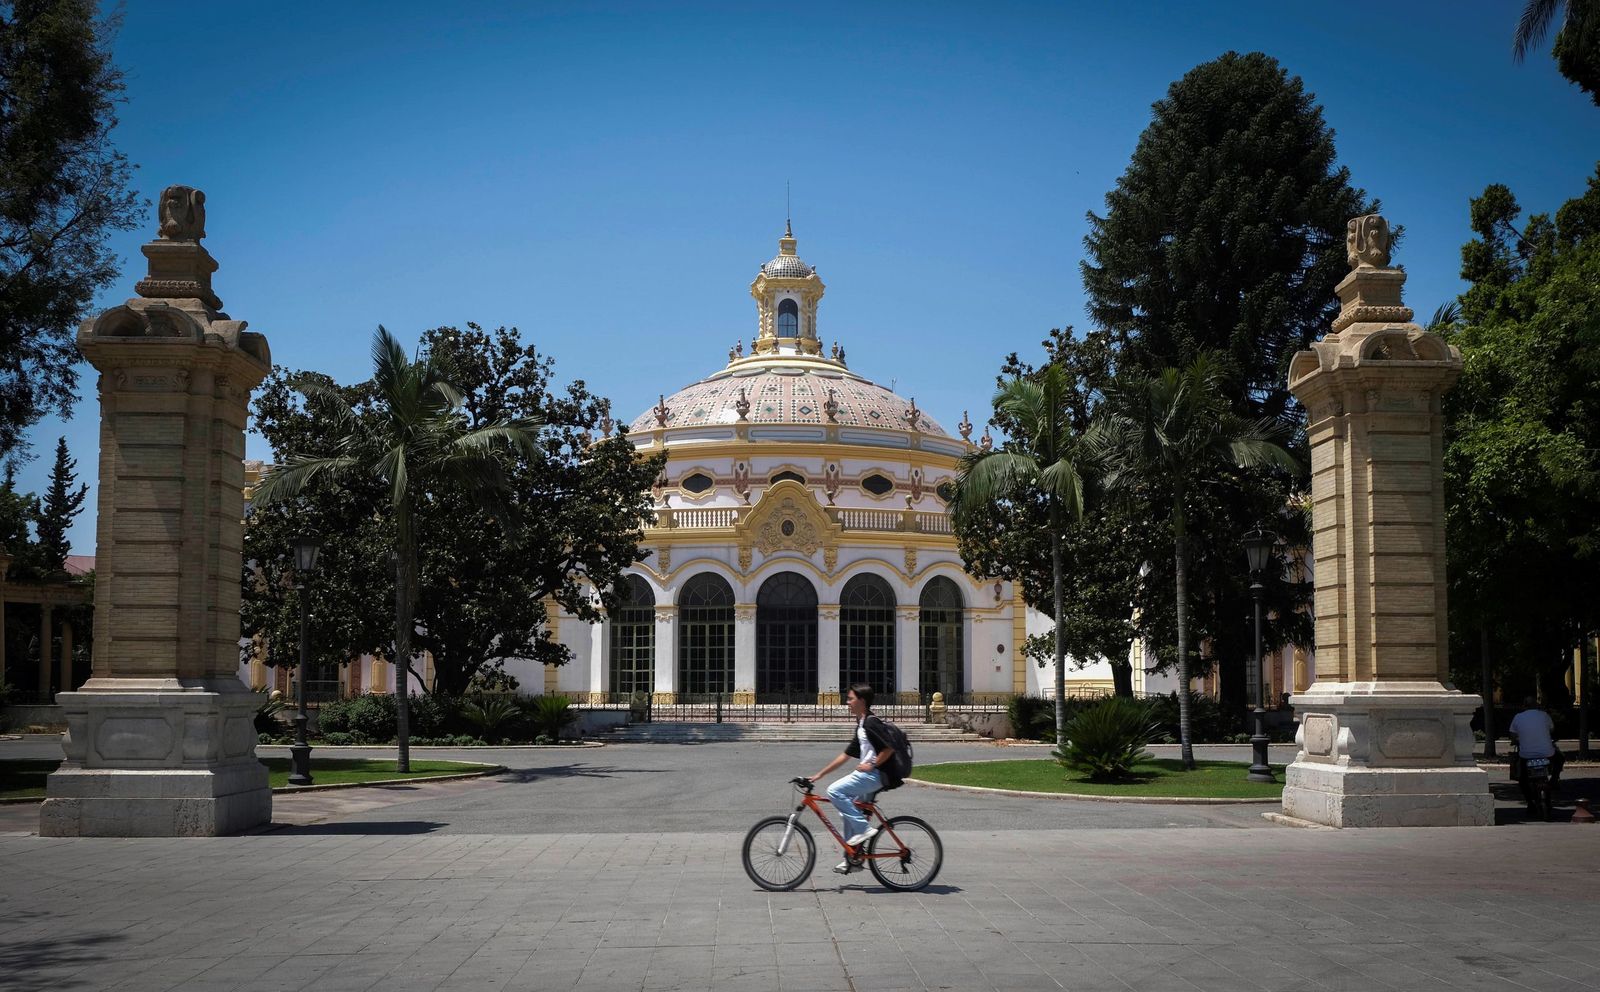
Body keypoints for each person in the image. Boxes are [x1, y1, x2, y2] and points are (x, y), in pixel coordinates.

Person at [807, 683, 898, 874]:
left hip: (875, 775)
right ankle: (853, 858)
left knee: (834, 791)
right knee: (846, 810)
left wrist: (871, 764)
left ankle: (863, 830)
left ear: (862, 701)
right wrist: (820, 774)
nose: (847, 702)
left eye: (850, 699)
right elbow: (846, 755)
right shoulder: (862, 723)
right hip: (866, 775)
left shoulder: (871, 722)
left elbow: (889, 748)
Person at [1508, 696, 1564, 804]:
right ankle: (1554, 780)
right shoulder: (1544, 715)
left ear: (1524, 706)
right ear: (1537, 705)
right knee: (1560, 758)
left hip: (1526, 755)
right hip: (1547, 753)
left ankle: (1530, 803)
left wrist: (1517, 740)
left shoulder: (1518, 717)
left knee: (1522, 779)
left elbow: (1513, 735)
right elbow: (1552, 729)